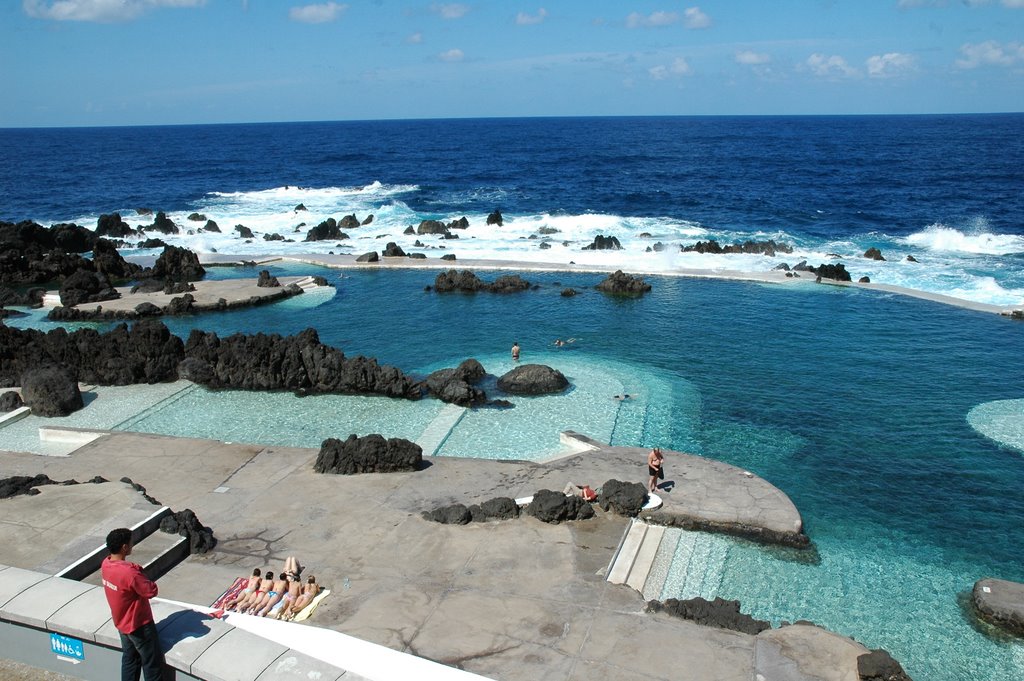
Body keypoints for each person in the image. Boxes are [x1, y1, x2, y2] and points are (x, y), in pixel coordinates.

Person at [101, 528, 164, 681]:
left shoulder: (106, 563)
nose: (132, 544)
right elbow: (151, 591)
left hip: (122, 624)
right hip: (139, 626)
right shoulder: (129, 572)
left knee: (130, 661)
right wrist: (138, 571)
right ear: (124, 547)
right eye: (130, 542)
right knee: (151, 665)